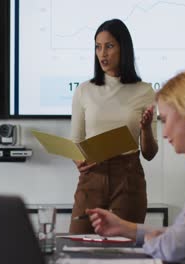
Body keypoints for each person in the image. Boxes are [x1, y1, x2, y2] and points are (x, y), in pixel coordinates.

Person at [86, 70, 185, 262]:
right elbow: (183, 233)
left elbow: (173, 248)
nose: (165, 132)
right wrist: (124, 228)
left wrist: (151, 241)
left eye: (165, 119)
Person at [69, 19, 158, 234]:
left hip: (127, 178)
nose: (103, 54)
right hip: (92, 177)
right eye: (98, 47)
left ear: (123, 48)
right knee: (76, 245)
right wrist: (77, 158)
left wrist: (145, 129)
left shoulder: (144, 91)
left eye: (109, 46)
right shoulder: (84, 90)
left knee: (122, 252)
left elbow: (149, 153)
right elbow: (76, 141)